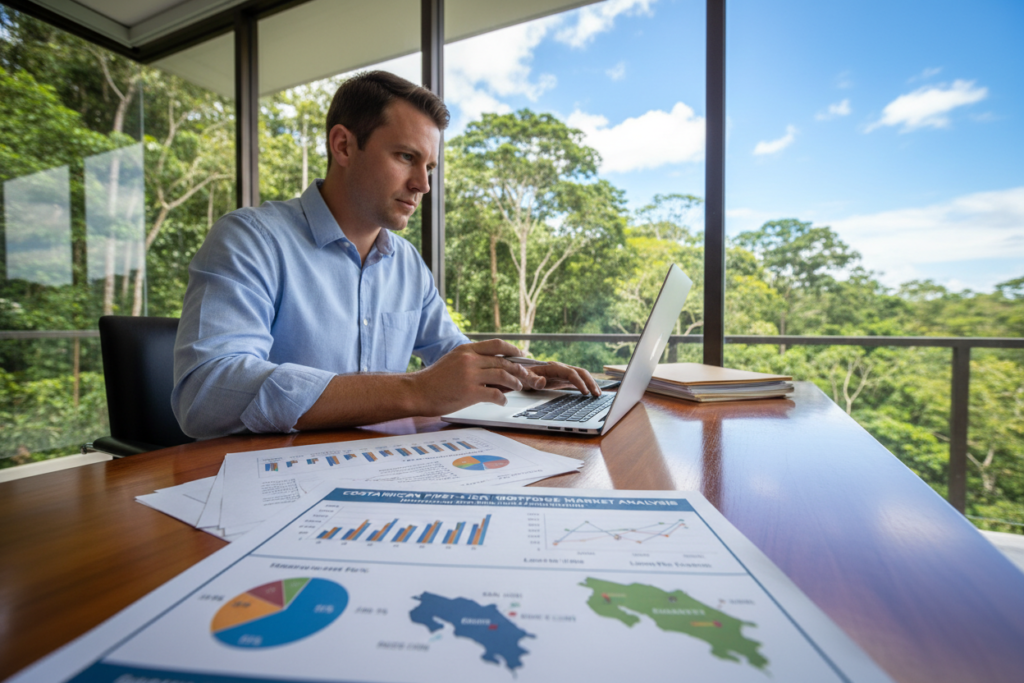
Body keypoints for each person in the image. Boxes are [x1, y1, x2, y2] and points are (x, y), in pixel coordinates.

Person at [172, 71, 599, 439]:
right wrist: (415, 391)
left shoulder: (407, 263)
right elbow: (205, 392)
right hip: (271, 484)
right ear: (342, 145)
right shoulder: (251, 239)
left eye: (428, 167)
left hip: (385, 466)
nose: (423, 185)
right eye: (406, 157)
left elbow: (452, 352)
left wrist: (534, 373)